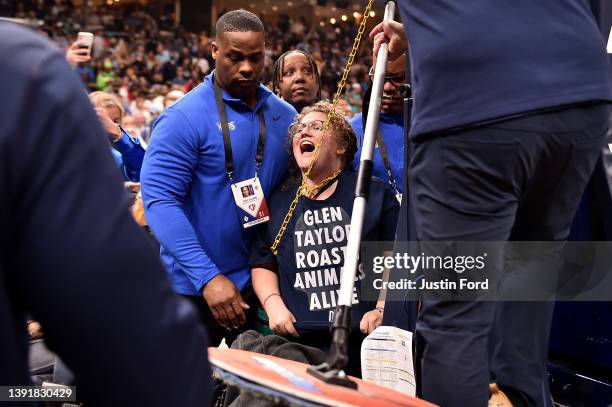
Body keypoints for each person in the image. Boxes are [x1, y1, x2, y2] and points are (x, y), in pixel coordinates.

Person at [370, 2, 611, 406]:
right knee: (529, 283)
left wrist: (453, 36)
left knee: (455, 314)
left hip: (470, 102)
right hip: (579, 93)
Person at [0, 21, 212, 405]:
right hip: (76, 300)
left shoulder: (119, 148)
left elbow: (150, 178)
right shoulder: (21, 70)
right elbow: (104, 300)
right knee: (52, 385)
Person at [141, 10, 296, 346]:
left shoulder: (285, 117)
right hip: (194, 290)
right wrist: (208, 277)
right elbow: (160, 202)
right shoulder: (182, 118)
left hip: (261, 287)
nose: (246, 68)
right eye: (234, 57)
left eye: (256, 58)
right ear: (214, 50)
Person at [250, 101, 399, 376]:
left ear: (341, 146)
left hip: (366, 342)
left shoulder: (372, 193)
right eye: (299, 129)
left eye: (317, 127)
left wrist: (382, 307)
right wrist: (274, 306)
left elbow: (395, 256)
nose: (304, 133)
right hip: (301, 345)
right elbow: (263, 262)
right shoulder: (278, 200)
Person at [351, 52, 407, 200]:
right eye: (380, 78)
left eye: (398, 78)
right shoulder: (351, 131)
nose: (387, 87)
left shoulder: (430, 124)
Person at [90, 91, 146, 182]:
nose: (110, 126)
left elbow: (142, 172)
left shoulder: (122, 146)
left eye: (116, 121)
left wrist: (120, 137)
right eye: (104, 120)